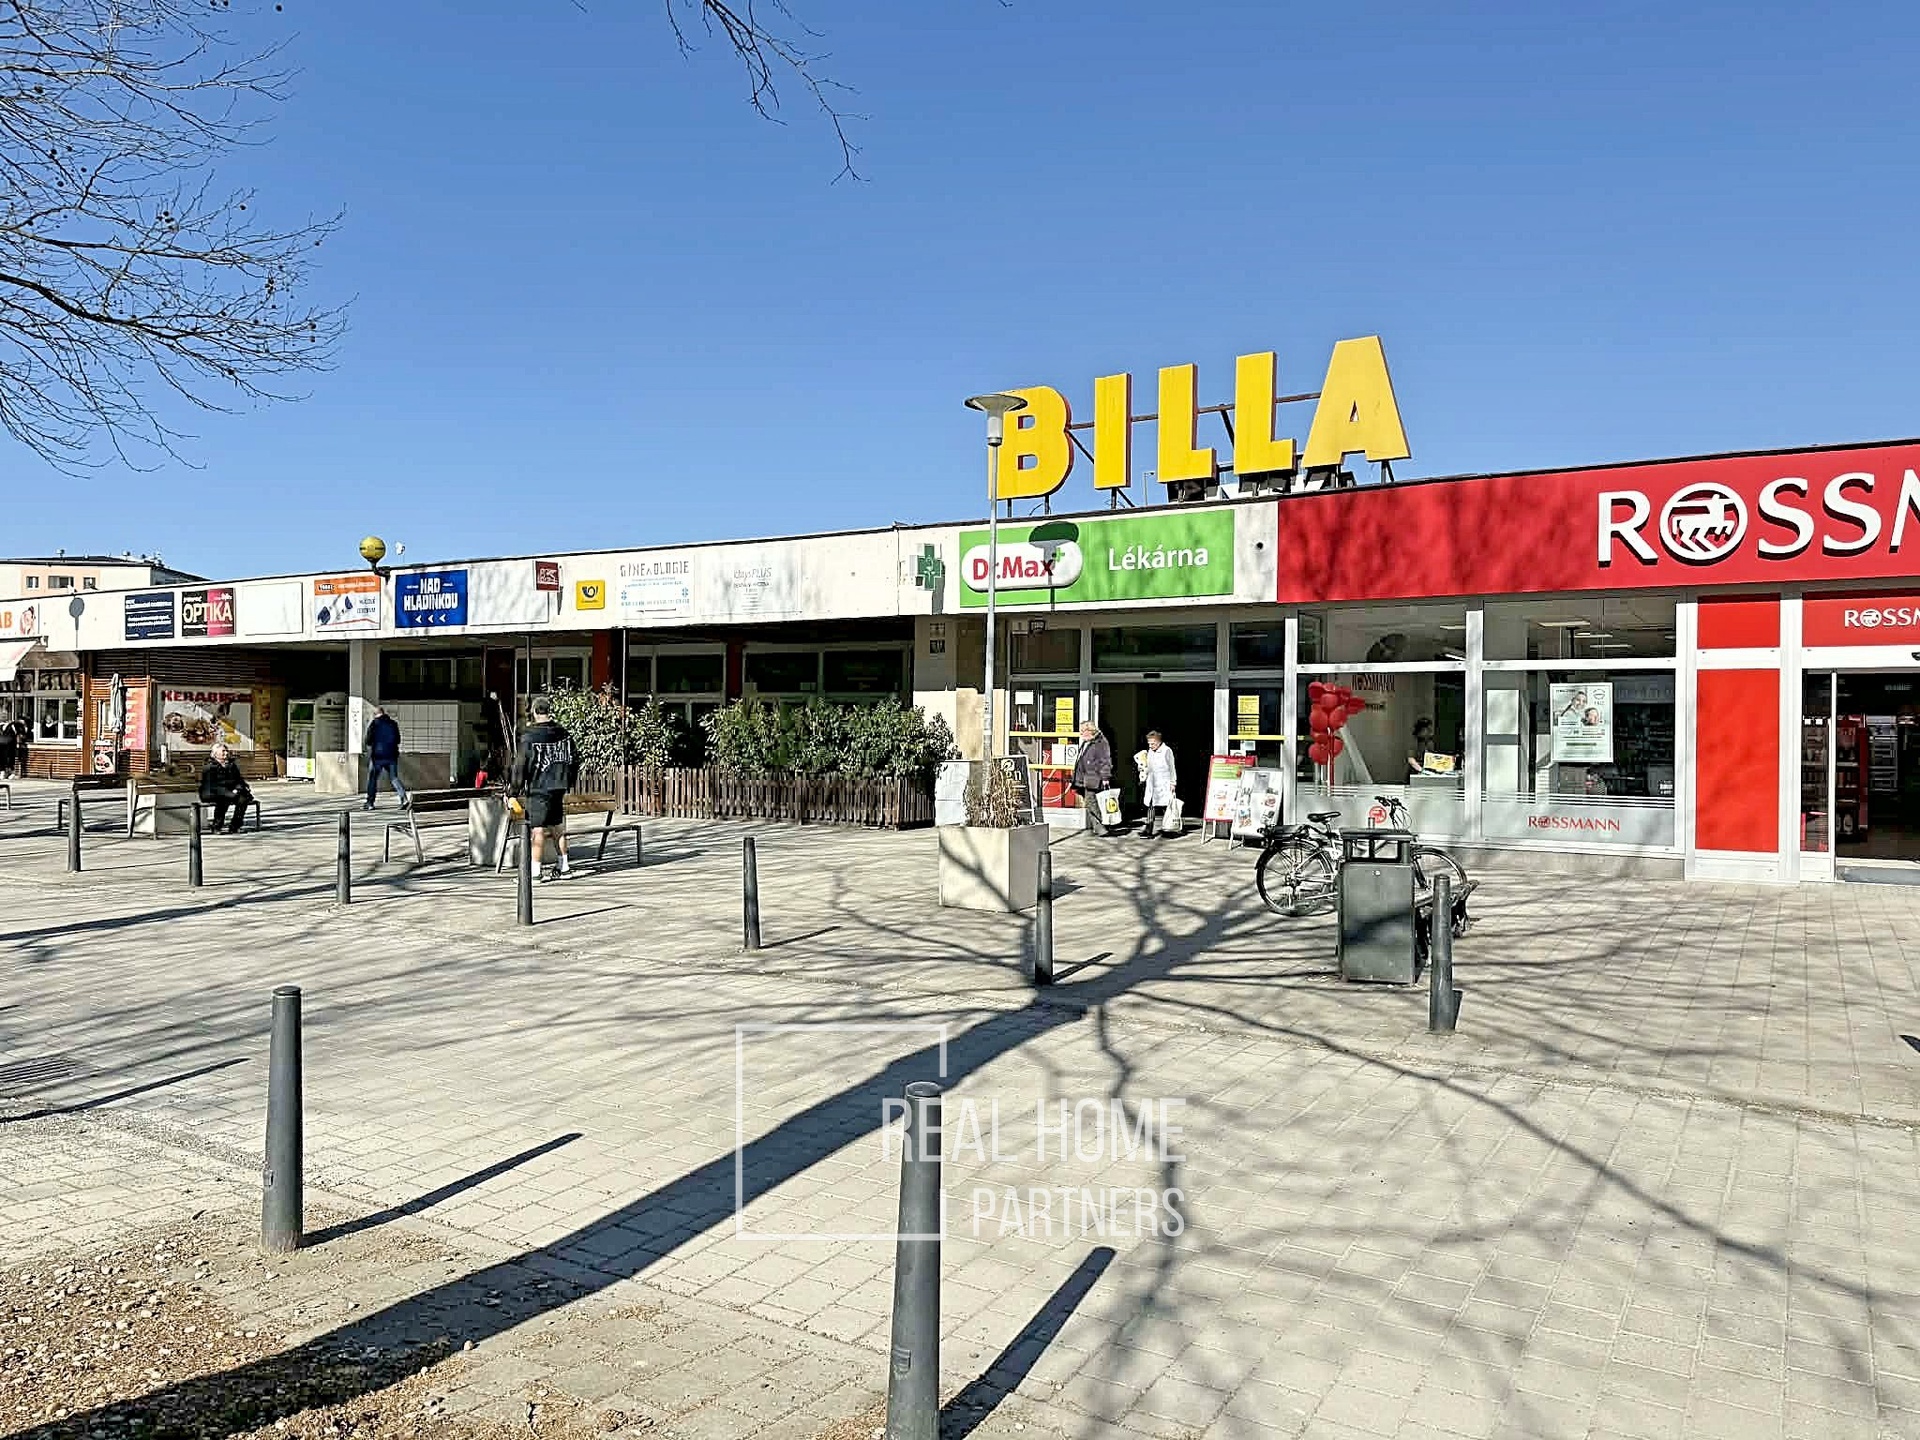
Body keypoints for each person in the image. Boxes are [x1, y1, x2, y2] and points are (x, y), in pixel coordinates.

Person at [512, 694, 579, 883]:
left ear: (534, 712)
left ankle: (535, 873)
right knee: (557, 828)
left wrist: (513, 791)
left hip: (539, 788)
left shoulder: (529, 736)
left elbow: (520, 766)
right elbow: (574, 760)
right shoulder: (564, 734)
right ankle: (564, 867)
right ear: (549, 711)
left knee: (538, 830)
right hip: (559, 787)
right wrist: (568, 781)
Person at [1071, 720, 1115, 837]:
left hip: (1093, 777)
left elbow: (1105, 761)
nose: (1081, 733)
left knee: (1091, 802)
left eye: (1082, 731)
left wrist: (1105, 777)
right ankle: (1098, 827)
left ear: (1090, 730)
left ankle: (1102, 827)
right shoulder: (1086, 742)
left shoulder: (1101, 742)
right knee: (1089, 803)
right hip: (1084, 778)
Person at [198, 743, 254, 834]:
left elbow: (239, 780)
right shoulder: (209, 767)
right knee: (224, 800)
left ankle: (235, 826)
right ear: (215, 754)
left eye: (226, 751)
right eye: (223, 751)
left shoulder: (231, 765)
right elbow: (212, 785)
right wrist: (230, 793)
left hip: (230, 791)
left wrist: (237, 789)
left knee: (243, 799)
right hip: (211, 792)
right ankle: (216, 826)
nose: (226, 753)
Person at [363, 706, 408, 810]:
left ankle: (370, 803)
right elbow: (398, 740)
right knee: (394, 778)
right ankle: (404, 799)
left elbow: (368, 741)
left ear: (376, 714)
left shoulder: (374, 724)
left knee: (373, 779)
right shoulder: (393, 723)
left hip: (377, 758)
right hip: (391, 757)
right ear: (384, 713)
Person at [1137, 729, 1178, 839]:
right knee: (1151, 805)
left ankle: (1169, 828)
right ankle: (1148, 829)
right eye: (1149, 744)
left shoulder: (1167, 751)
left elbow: (1172, 767)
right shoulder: (1150, 752)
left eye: (1153, 743)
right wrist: (1143, 771)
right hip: (1152, 783)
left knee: (1166, 806)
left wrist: (1173, 782)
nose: (1150, 746)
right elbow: (1148, 766)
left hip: (1163, 782)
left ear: (1159, 742)